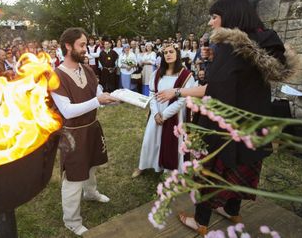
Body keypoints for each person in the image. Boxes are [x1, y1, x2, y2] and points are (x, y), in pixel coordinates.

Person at [155, 0, 297, 235]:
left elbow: (215, 89)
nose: (210, 23)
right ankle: (232, 211)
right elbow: (241, 81)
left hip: (225, 125)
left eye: (214, 17)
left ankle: (200, 222)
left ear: (229, 17)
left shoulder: (231, 48)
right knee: (240, 166)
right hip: (251, 123)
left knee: (211, 171)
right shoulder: (261, 42)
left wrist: (176, 91)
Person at [51, 27, 118, 236]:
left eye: (86, 44)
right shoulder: (56, 77)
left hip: (91, 128)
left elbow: (97, 95)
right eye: (81, 45)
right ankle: (71, 220)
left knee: (91, 165)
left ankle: (90, 193)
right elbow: (67, 111)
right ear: (68, 46)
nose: (86, 49)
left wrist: (111, 98)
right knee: (73, 177)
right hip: (73, 134)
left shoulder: (87, 69)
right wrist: (97, 100)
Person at [132, 44, 195, 178]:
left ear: (177, 54)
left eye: (171, 52)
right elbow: (152, 94)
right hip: (157, 113)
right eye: (165, 52)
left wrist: (165, 115)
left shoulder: (186, 75)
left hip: (174, 115)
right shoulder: (157, 73)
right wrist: (155, 113)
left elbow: (182, 99)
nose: (168, 54)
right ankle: (144, 164)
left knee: (171, 141)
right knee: (150, 139)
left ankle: (170, 169)